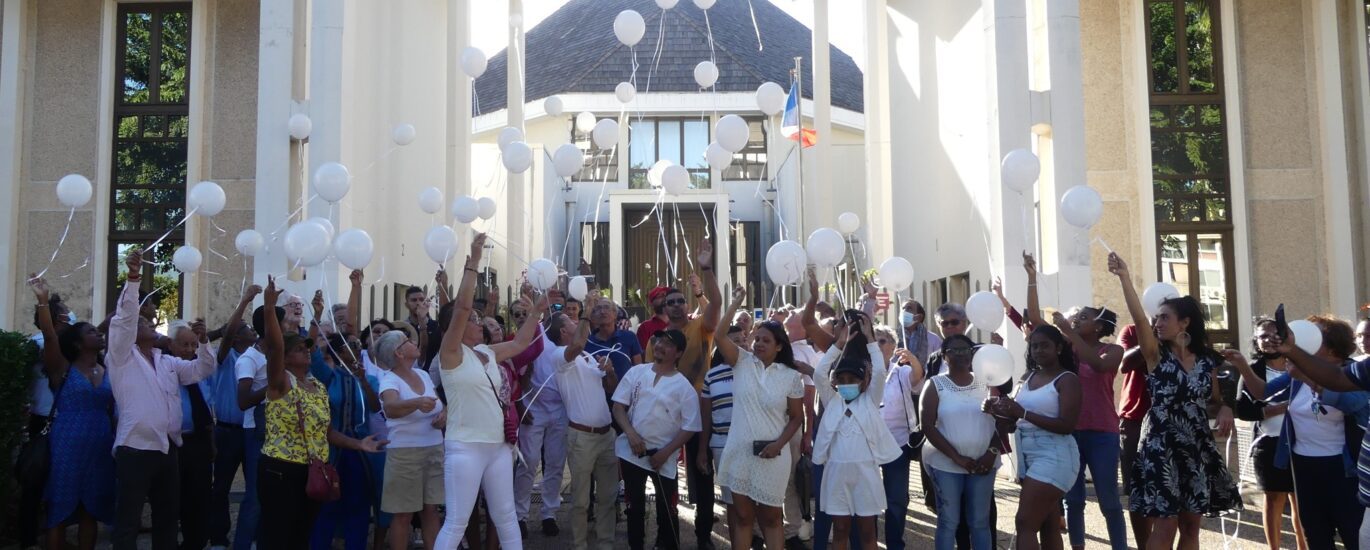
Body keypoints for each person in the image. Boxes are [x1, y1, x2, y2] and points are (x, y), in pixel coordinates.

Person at [1108, 252, 1240, 548]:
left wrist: (1226, 408)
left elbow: (1216, 400)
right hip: (1160, 443)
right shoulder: (1156, 354)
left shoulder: (1207, 361)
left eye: (1165, 317)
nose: (1157, 322)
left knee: (1191, 526)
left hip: (1195, 444)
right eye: (1157, 317)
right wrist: (1125, 277)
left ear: (1184, 323)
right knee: (1165, 524)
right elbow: (1139, 317)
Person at [433, 233, 546, 550]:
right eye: (472, 319)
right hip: (465, 447)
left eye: (479, 318)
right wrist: (474, 260)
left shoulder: (486, 351)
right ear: (453, 326)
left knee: (506, 517)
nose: (478, 321)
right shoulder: (450, 352)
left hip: (499, 446)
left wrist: (536, 311)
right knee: (457, 522)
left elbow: (522, 343)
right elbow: (462, 306)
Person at [256, 276, 385, 550]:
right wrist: (269, 309)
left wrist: (358, 443)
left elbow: (326, 432)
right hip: (281, 468)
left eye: (307, 348)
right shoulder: (281, 382)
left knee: (302, 534)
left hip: (313, 468)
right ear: (286, 357)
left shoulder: (315, 384)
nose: (307, 351)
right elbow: (276, 346)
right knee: (280, 536)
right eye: (299, 349)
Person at [105, 249, 218, 550]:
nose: (149, 324)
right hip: (135, 448)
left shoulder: (165, 361)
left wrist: (204, 341)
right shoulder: (120, 356)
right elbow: (124, 319)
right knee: (128, 520)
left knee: (167, 518)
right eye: (143, 323)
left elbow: (203, 369)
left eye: (149, 321)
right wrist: (132, 278)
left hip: (168, 448)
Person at [1017, 251, 1128, 550]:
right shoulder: (1067, 345)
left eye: (1084, 317)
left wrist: (1068, 332)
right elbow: (1038, 322)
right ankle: (1078, 546)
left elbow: (1100, 365)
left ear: (1101, 327)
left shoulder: (1112, 350)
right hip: (1070, 431)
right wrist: (1031, 278)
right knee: (1074, 499)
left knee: (1109, 499)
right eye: (1076, 317)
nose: (1077, 320)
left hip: (1103, 432)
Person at [1237, 316, 1367, 548]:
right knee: (1315, 536)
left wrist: (1307, 377)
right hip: (1304, 467)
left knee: (1353, 535)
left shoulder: (1352, 372)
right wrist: (1241, 365)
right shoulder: (1296, 374)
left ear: (1328, 346)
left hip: (1344, 470)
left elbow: (1351, 404)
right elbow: (1263, 392)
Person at [713, 284, 807, 550]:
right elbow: (720, 336)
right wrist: (734, 303)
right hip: (739, 451)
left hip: (774, 455)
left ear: (779, 347)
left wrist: (778, 444)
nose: (759, 343)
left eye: (767, 340)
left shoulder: (790, 376)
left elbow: (796, 418)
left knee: (772, 518)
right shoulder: (741, 362)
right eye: (757, 339)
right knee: (742, 517)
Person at [28, 277, 114, 550]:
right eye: (91, 332)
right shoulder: (62, 368)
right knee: (61, 510)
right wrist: (43, 300)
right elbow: (51, 336)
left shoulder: (107, 369)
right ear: (77, 343)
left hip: (100, 442)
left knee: (91, 508)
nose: (99, 334)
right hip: (67, 443)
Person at [984, 325, 1082, 550]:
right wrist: (997, 410)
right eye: (1034, 346)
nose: (1038, 350)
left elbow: (1067, 425)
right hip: (1028, 453)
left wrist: (1022, 412)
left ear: (1058, 348)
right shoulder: (1028, 377)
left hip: (1055, 454)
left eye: (1044, 345)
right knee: (1048, 523)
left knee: (1024, 523)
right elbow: (1014, 421)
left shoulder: (1067, 380)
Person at [812, 315, 898, 550]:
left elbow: (880, 372)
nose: (847, 383)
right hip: (836, 473)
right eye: (842, 379)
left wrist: (870, 339)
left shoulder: (870, 401)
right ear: (835, 383)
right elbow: (819, 374)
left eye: (853, 379)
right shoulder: (832, 402)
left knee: (867, 532)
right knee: (840, 529)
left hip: (866, 474)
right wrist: (839, 344)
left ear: (863, 381)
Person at [612, 328, 702, 550]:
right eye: (659, 340)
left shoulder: (684, 388)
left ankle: (666, 544)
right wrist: (631, 434)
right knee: (634, 507)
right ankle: (636, 545)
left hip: (664, 457)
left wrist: (666, 452)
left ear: (679, 353)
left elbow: (690, 427)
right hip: (631, 452)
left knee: (668, 509)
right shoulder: (636, 373)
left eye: (668, 344)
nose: (660, 346)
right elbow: (618, 408)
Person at [920, 335, 1005, 550]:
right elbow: (927, 426)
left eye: (966, 349)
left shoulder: (987, 382)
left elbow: (1004, 421)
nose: (961, 354)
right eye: (954, 350)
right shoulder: (935, 384)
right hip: (946, 464)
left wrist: (991, 452)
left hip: (984, 463)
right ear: (944, 357)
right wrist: (956, 457)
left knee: (980, 522)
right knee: (949, 521)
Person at [551, 293, 621, 550]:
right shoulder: (560, 357)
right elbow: (578, 344)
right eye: (569, 322)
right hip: (581, 437)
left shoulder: (588, 357)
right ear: (562, 333)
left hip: (606, 436)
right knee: (580, 501)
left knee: (608, 497)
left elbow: (610, 389)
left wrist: (610, 372)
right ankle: (580, 546)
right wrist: (586, 312)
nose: (575, 322)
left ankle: (606, 545)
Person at [1233, 317, 1307, 550]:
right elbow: (1243, 410)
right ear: (1256, 341)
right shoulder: (1253, 371)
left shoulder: (1300, 365)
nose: (1269, 340)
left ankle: (1303, 546)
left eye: (1274, 334)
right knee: (1274, 500)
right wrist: (1278, 409)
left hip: (1301, 442)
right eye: (1263, 336)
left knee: (1301, 502)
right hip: (1269, 444)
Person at [375, 330, 446, 550]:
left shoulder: (423, 375)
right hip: (405, 453)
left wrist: (444, 415)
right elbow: (390, 407)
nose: (414, 342)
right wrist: (416, 403)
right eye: (407, 341)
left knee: (431, 510)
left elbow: (438, 405)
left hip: (433, 448)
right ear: (398, 353)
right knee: (403, 514)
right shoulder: (390, 380)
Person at [207, 285, 261, 550]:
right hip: (227, 431)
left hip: (251, 432)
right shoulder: (226, 357)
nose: (252, 331)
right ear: (238, 337)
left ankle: (251, 535)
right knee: (220, 488)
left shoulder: (258, 356)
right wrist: (245, 301)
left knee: (255, 488)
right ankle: (218, 537)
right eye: (246, 329)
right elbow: (227, 333)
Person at [167, 320, 215, 550]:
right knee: (172, 498)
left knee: (199, 497)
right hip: (171, 444)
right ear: (172, 345)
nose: (189, 350)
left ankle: (194, 543)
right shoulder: (164, 368)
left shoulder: (199, 370)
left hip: (198, 442)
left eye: (192, 345)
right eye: (184, 345)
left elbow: (207, 406)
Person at [875, 324, 923, 550]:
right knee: (869, 499)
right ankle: (868, 542)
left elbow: (917, 377)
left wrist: (912, 359)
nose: (877, 344)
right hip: (868, 445)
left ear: (893, 346)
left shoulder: (901, 371)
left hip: (897, 442)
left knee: (896, 499)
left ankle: (895, 544)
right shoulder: (863, 370)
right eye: (873, 340)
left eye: (882, 341)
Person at [700, 325, 746, 546]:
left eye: (743, 340)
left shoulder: (757, 369)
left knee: (756, 501)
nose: (740, 344)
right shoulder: (712, 375)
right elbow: (706, 416)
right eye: (734, 340)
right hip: (721, 444)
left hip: (752, 444)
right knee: (732, 502)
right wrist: (702, 451)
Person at [1115, 324, 1150, 548]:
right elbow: (1125, 364)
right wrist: (1151, 338)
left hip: (1168, 420)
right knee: (1137, 491)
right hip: (1134, 420)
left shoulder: (1180, 334)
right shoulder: (1131, 331)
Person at [899, 299, 941, 367]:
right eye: (903, 309)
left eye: (909, 308)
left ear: (919, 317)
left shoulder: (933, 339)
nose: (904, 311)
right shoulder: (893, 337)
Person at [636, 286, 672, 350]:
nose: (665, 298)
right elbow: (644, 354)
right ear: (652, 303)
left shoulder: (679, 322)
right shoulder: (645, 327)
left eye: (666, 295)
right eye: (660, 296)